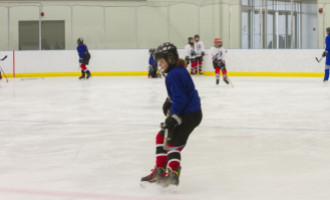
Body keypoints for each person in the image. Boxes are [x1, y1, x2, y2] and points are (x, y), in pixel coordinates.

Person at [141, 42, 202, 187]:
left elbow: (181, 98)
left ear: (170, 59)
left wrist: (173, 117)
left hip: (188, 114)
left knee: (172, 143)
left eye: (162, 61)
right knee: (161, 136)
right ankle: (160, 171)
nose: (160, 65)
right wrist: (170, 100)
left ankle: (173, 174)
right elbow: (180, 93)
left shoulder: (174, 74)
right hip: (187, 111)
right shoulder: (178, 71)